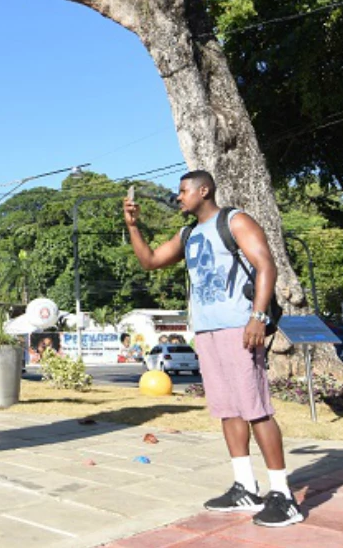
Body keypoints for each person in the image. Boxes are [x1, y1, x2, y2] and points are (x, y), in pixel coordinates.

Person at [123, 170, 304, 527]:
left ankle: (283, 495)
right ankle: (245, 487)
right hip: (206, 331)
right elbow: (150, 261)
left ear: (203, 191)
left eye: (183, 191)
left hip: (240, 327)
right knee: (227, 409)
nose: (179, 197)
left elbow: (266, 265)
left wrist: (257, 316)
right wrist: (132, 225)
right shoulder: (187, 233)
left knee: (256, 408)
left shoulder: (234, 220)